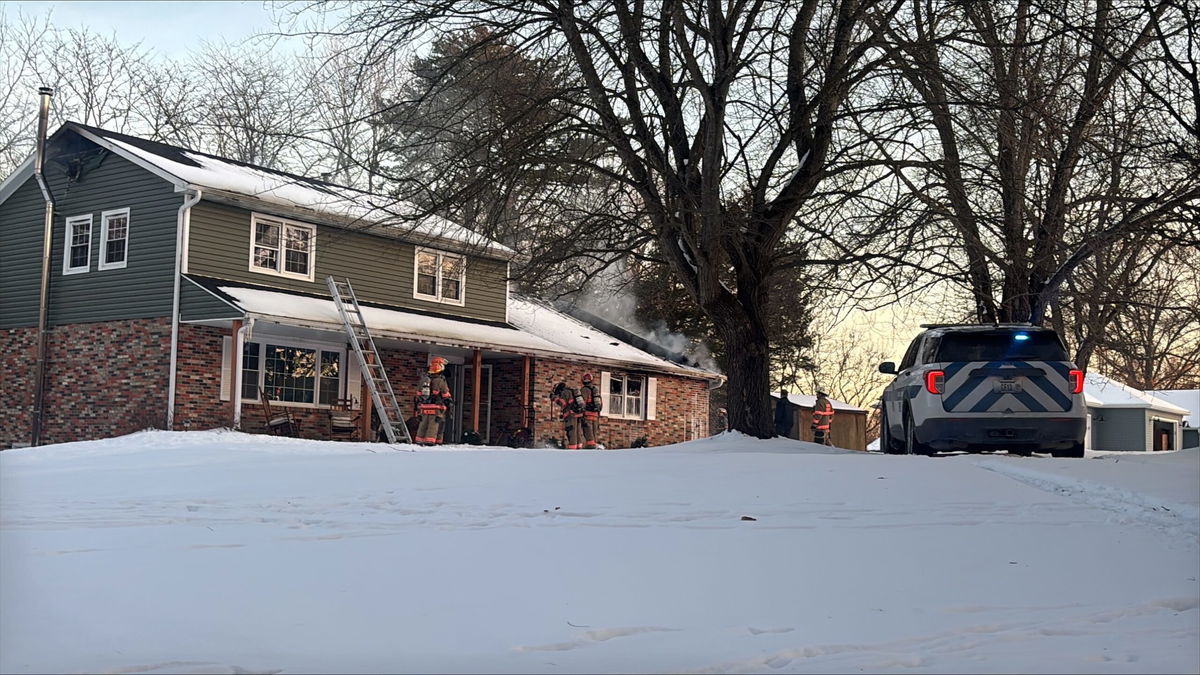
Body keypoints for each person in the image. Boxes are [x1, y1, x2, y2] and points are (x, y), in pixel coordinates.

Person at [415, 356, 452, 445]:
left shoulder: (423, 380)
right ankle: (430, 441)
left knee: (423, 424)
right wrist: (449, 402)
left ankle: (419, 440)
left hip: (424, 407)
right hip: (436, 408)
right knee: (434, 425)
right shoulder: (440, 381)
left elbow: (418, 394)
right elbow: (445, 394)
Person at [550, 381, 583, 449]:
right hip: (579, 414)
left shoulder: (564, 392)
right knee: (578, 431)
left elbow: (563, 403)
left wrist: (554, 398)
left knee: (571, 432)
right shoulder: (572, 391)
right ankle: (579, 447)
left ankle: (572, 448)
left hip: (571, 415)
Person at [578, 372, 603, 449]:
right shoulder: (595, 390)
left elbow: (582, 403)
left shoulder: (584, 390)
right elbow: (600, 403)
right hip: (595, 416)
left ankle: (590, 448)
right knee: (594, 434)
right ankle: (594, 447)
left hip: (587, 415)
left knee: (588, 433)